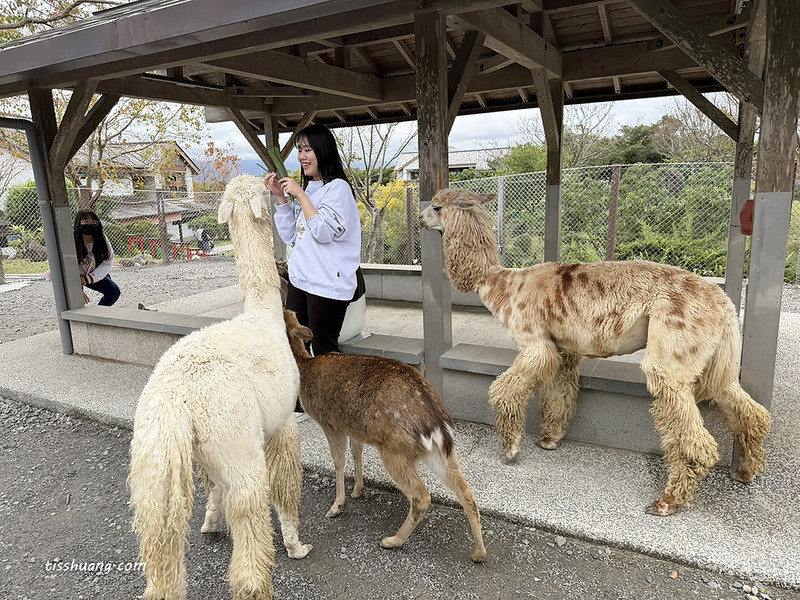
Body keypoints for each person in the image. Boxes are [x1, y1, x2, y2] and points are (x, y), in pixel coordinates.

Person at [265, 123, 363, 359]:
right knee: (295, 346)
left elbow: (323, 232)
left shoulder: (338, 189)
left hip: (327, 285)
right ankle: (300, 397)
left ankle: (330, 397)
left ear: (323, 151)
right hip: (301, 280)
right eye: (300, 150)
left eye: (308, 150)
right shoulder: (310, 189)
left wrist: (300, 194)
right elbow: (291, 236)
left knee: (324, 351)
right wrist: (282, 197)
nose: (302, 156)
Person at [73, 209, 120, 306]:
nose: (90, 225)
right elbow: (67, 266)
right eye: (86, 222)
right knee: (76, 299)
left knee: (113, 291)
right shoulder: (71, 239)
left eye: (94, 222)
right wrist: (77, 289)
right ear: (79, 222)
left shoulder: (101, 239)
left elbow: (108, 261)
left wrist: (90, 278)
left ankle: (99, 315)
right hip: (73, 276)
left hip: (92, 273)